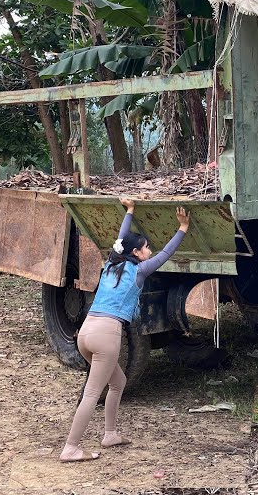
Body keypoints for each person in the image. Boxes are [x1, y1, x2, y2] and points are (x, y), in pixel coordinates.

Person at [60, 198, 190, 462]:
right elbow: (166, 254)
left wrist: (129, 211)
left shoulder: (111, 263)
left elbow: (121, 239)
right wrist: (183, 229)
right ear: (136, 254)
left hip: (86, 332)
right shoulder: (139, 272)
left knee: (117, 382)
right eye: (145, 248)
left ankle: (110, 434)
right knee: (92, 394)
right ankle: (71, 447)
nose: (149, 250)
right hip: (106, 335)